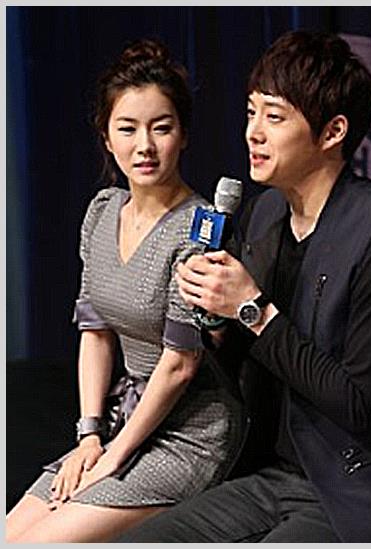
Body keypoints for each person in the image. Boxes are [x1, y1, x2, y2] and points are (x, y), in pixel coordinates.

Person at [114, 30, 371, 543]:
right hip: (271, 474)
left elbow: (362, 405)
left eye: (275, 117)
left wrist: (251, 309)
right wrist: (215, 322)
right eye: (251, 113)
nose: (254, 133)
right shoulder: (265, 214)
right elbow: (250, 367)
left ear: (333, 132)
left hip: (356, 491)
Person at [6, 38, 244, 543]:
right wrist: (90, 434)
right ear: (107, 136)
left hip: (188, 433)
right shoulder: (102, 211)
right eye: (128, 128)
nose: (145, 146)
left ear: (184, 135)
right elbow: (95, 334)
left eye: (162, 128)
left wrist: (113, 457)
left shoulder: (198, 231)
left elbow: (180, 365)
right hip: (123, 420)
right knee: (12, 533)